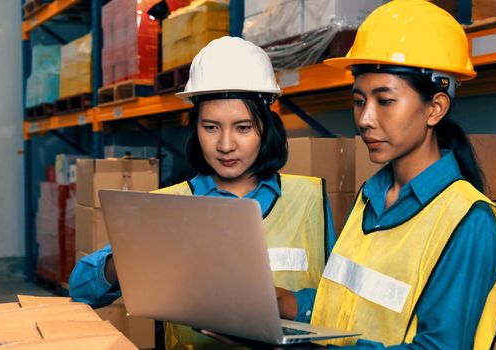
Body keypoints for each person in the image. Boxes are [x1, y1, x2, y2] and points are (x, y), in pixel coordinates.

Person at [69, 36, 337, 349]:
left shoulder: (309, 198)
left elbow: (338, 302)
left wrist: (285, 302)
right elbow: (81, 289)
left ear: (267, 129)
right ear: (195, 129)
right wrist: (128, 259)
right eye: (211, 127)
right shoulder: (170, 204)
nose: (225, 145)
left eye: (243, 128)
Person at [276, 1, 496, 348]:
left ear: (435, 108)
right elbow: (349, 306)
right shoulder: (371, 196)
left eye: (384, 101)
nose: (365, 119)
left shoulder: (468, 220)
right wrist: (287, 304)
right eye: (359, 101)